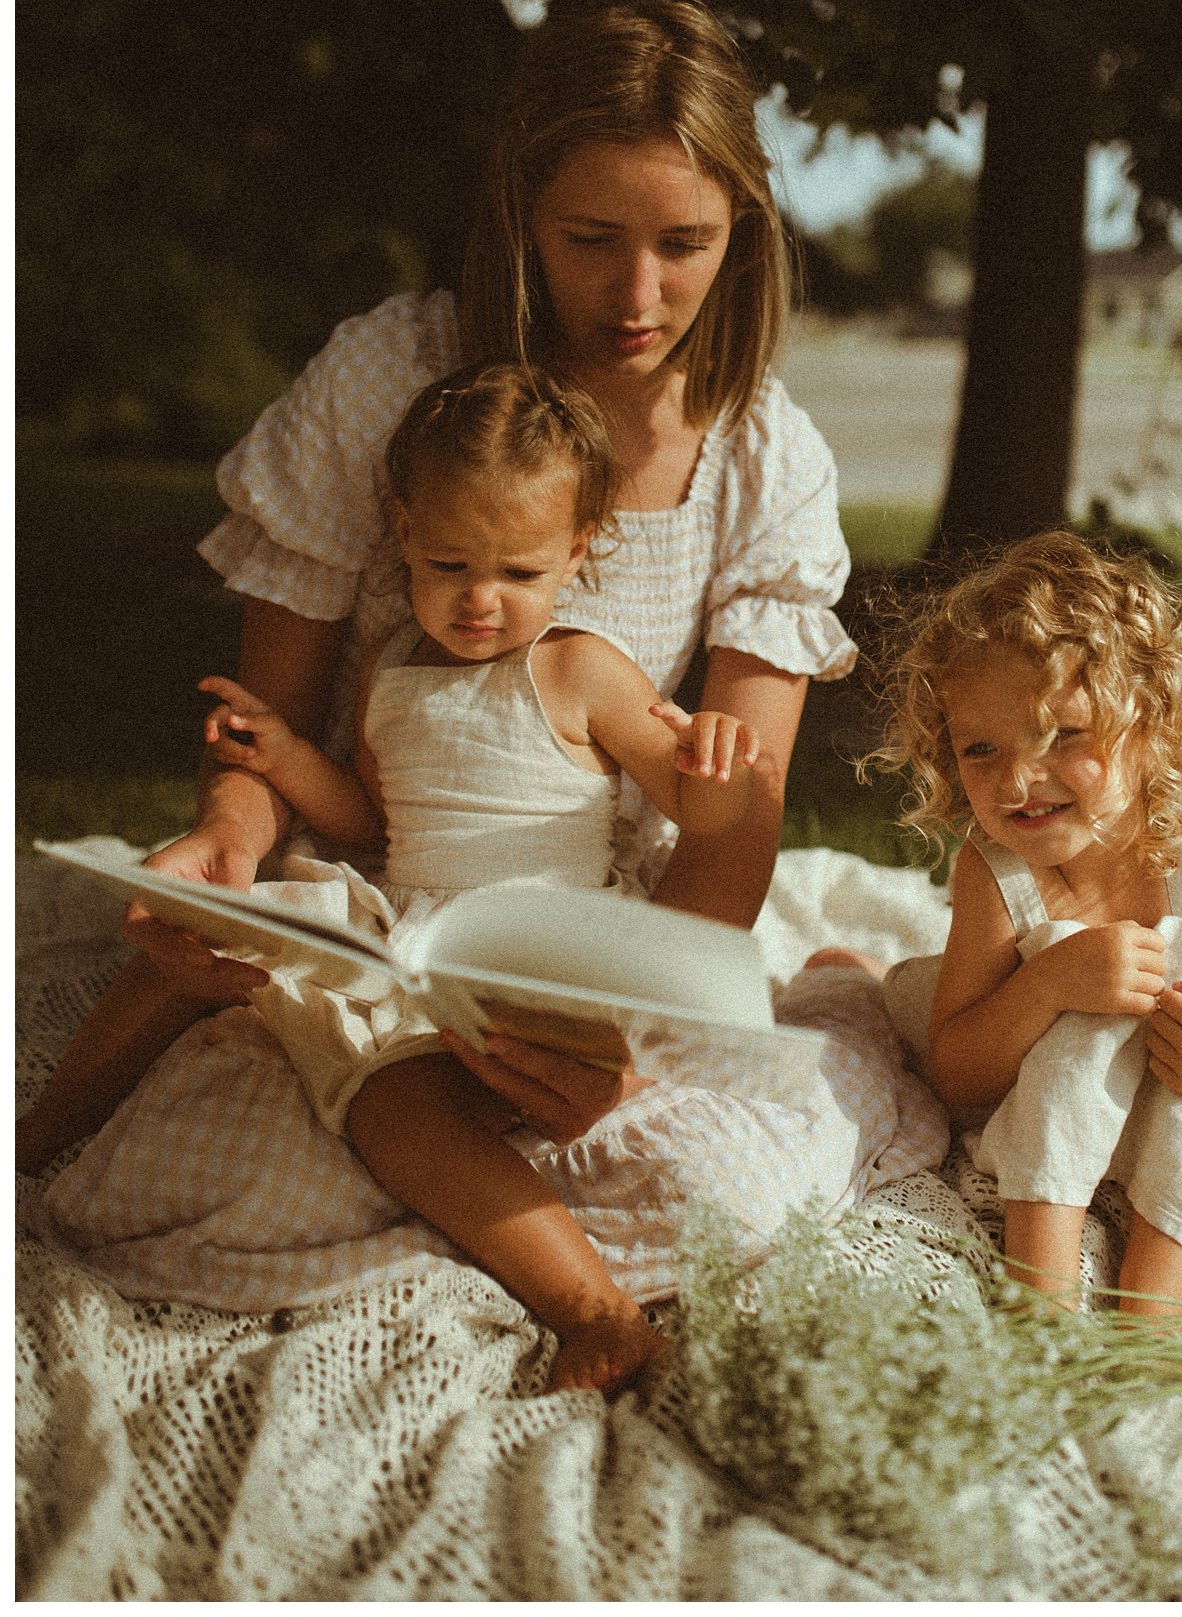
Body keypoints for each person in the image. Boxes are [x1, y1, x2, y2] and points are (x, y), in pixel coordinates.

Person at [21, 0, 949, 1336]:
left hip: (608, 927)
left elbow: (729, 822)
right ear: (522, 210)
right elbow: (270, 735)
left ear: (744, 228)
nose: (638, 296)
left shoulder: (762, 457)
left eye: (683, 245)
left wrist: (630, 1042)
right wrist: (228, 841)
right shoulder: (392, 376)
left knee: (732, 1196)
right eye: (591, 240)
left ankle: (574, 1281)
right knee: (232, 1163)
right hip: (371, 877)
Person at [187, 361, 759, 1392]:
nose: (481, 600)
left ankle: (597, 1311)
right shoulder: (390, 668)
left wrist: (718, 761)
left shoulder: (580, 668)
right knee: (271, 995)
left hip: (550, 942)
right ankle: (37, 1136)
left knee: (421, 1092)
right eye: (450, 562)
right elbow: (374, 818)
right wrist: (280, 758)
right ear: (402, 531)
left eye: (518, 572)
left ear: (577, 551)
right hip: (418, 935)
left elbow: (700, 811)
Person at [860, 532, 1182, 1317]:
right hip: (1014, 1080)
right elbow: (960, 1077)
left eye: (1061, 735)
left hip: (1158, 1096)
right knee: (1069, 980)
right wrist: (1052, 983)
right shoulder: (996, 867)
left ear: (1147, 724)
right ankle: (1043, 1295)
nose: (1018, 780)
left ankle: (1156, 1313)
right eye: (980, 748)